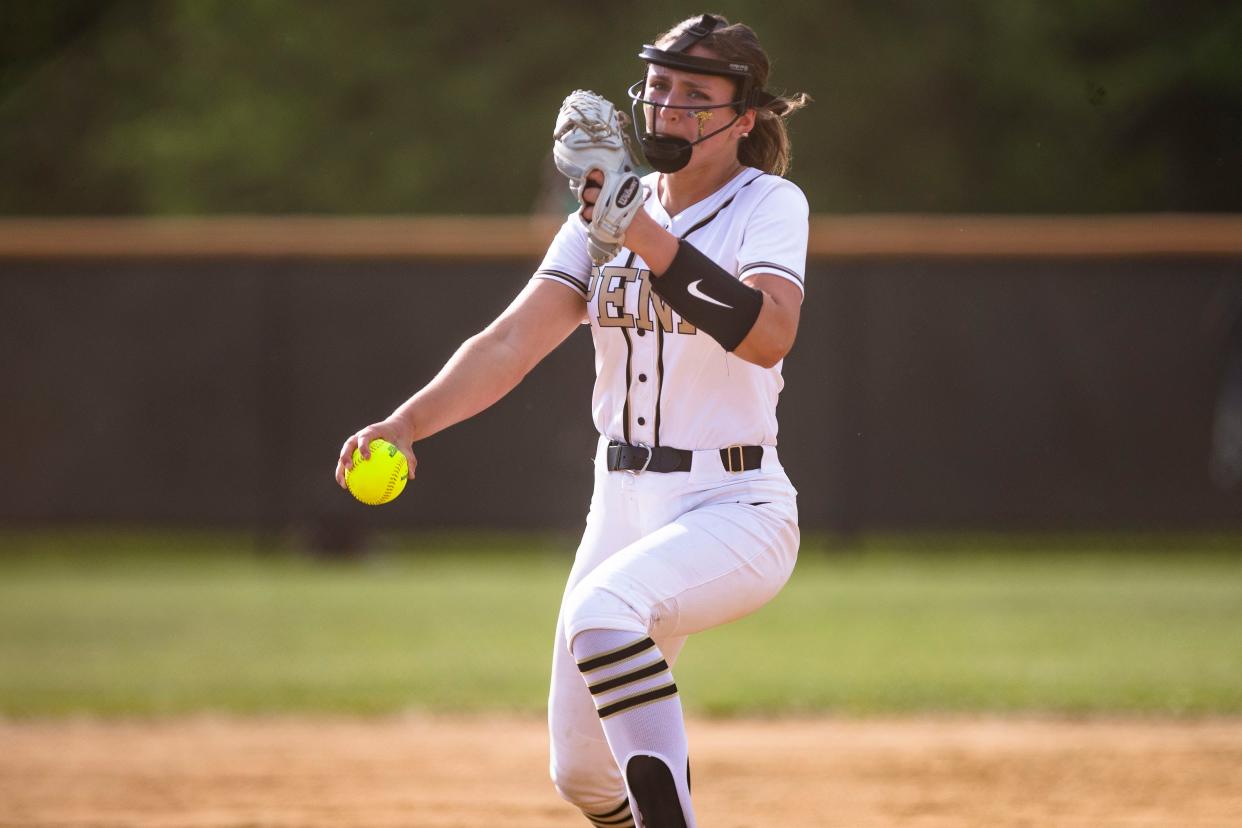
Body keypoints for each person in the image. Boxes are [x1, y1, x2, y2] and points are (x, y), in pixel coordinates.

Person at [335, 14, 809, 828]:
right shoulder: (602, 221)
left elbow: (769, 334)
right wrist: (406, 424)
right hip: (619, 501)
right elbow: (512, 340)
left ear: (747, 116)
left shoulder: (767, 203)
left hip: (734, 504)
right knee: (584, 778)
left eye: (696, 95)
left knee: (603, 614)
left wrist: (644, 236)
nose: (668, 108)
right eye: (659, 87)